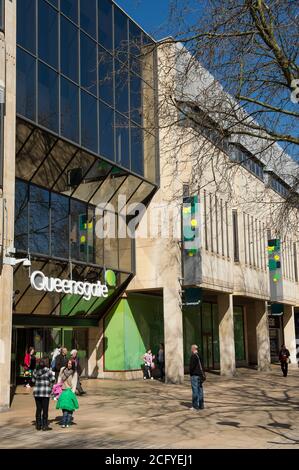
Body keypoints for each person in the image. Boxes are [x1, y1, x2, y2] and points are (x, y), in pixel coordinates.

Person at [32, 358, 55, 431]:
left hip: (37, 392)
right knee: (45, 409)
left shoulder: (35, 371)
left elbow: (32, 381)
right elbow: (53, 379)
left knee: (38, 409)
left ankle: (38, 425)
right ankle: (45, 425)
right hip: (45, 392)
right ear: (44, 364)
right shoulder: (48, 371)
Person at [57, 359, 79, 428]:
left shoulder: (74, 372)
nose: (69, 365)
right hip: (63, 391)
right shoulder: (63, 369)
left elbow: (74, 383)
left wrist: (72, 392)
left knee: (69, 409)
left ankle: (67, 422)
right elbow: (59, 378)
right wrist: (58, 389)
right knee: (64, 408)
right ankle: (65, 422)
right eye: (68, 363)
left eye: (71, 364)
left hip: (70, 391)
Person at [189, 344, 205, 410]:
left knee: (195, 390)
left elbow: (191, 367)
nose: (191, 350)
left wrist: (190, 373)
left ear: (193, 349)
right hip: (200, 375)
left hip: (194, 375)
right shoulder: (200, 355)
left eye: (191, 348)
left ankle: (195, 406)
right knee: (200, 390)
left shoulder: (193, 356)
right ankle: (201, 405)